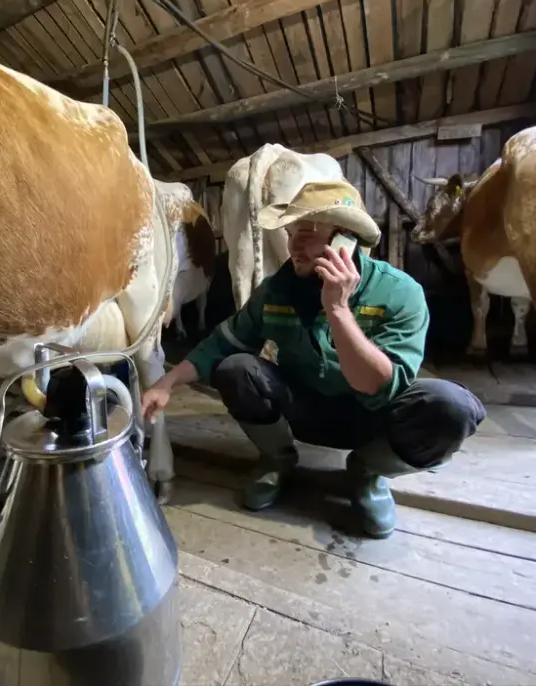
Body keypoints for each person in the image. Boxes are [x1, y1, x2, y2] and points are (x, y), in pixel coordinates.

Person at [142, 180, 486, 539]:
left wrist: (338, 309)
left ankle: (367, 474)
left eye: (308, 233)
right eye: (292, 232)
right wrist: (166, 383)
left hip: (372, 417)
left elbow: (377, 386)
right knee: (236, 369)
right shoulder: (277, 289)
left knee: (451, 407)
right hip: (303, 408)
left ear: (346, 241)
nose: (294, 244)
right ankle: (277, 460)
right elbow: (223, 343)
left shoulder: (400, 293)